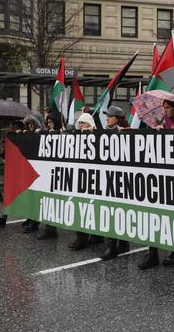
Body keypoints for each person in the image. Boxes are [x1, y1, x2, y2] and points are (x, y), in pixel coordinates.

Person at [138, 100, 174, 269]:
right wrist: (157, 133)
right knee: (154, 214)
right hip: (160, 176)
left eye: (167, 108)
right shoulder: (160, 124)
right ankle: (152, 253)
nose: (164, 110)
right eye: (163, 107)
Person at [100, 106, 131, 260]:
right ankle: (112, 245)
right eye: (107, 116)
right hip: (109, 177)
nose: (107, 118)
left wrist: (122, 133)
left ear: (118, 118)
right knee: (111, 210)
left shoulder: (126, 131)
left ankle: (119, 244)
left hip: (122, 178)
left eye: (110, 116)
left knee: (120, 211)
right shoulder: (104, 131)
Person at [69, 112, 104, 250]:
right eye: (80, 123)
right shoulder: (77, 136)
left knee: (94, 208)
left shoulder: (98, 135)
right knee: (81, 207)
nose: (81, 125)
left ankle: (97, 235)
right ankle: (81, 237)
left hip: (95, 178)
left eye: (83, 123)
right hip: (82, 178)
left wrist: (93, 133)